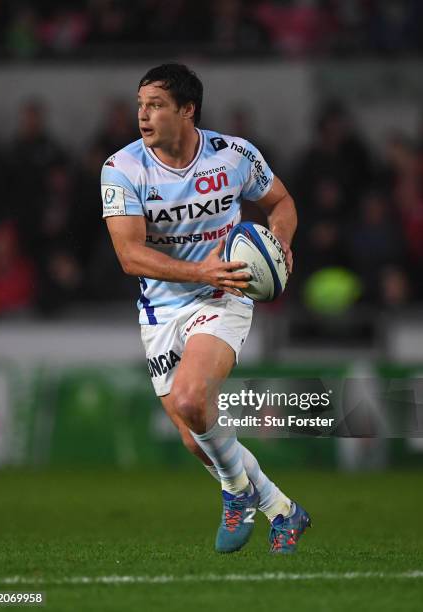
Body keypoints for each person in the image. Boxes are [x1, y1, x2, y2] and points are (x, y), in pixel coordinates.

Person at [101, 63, 311, 554]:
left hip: (225, 294)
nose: (143, 116)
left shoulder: (234, 156)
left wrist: (278, 243)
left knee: (194, 401)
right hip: (161, 310)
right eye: (140, 106)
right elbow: (130, 256)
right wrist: (200, 271)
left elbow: (282, 203)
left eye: (155, 106)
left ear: (187, 109)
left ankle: (236, 493)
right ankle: (282, 510)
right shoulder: (123, 168)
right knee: (197, 437)